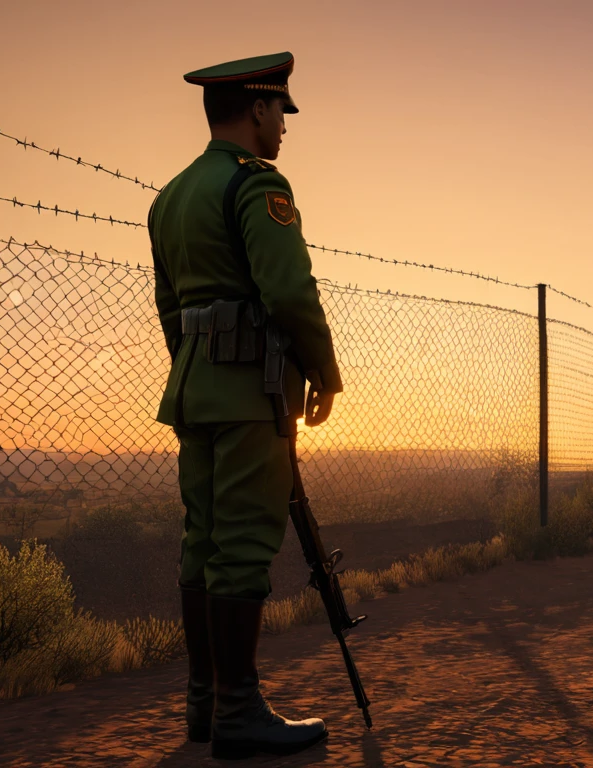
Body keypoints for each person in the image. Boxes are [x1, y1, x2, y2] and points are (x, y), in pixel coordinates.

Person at [147, 51, 342, 760]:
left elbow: (171, 308)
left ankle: (203, 705)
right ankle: (237, 710)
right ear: (257, 110)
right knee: (244, 548)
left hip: (194, 393)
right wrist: (324, 371)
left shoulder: (169, 198)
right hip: (251, 395)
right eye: (280, 113)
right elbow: (290, 292)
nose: (284, 129)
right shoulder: (258, 187)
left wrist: (197, 370)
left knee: (200, 542)